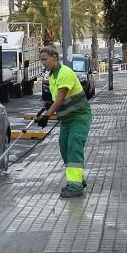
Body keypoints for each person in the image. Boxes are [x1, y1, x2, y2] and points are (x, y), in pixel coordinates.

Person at [36, 46, 92, 198]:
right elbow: (57, 99)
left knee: (74, 148)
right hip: (67, 121)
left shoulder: (64, 73)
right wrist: (50, 106)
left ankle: (75, 187)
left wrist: (47, 115)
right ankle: (78, 180)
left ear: (54, 57)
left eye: (45, 59)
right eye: (41, 60)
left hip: (79, 118)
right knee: (64, 148)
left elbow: (61, 98)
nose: (43, 63)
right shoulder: (53, 75)